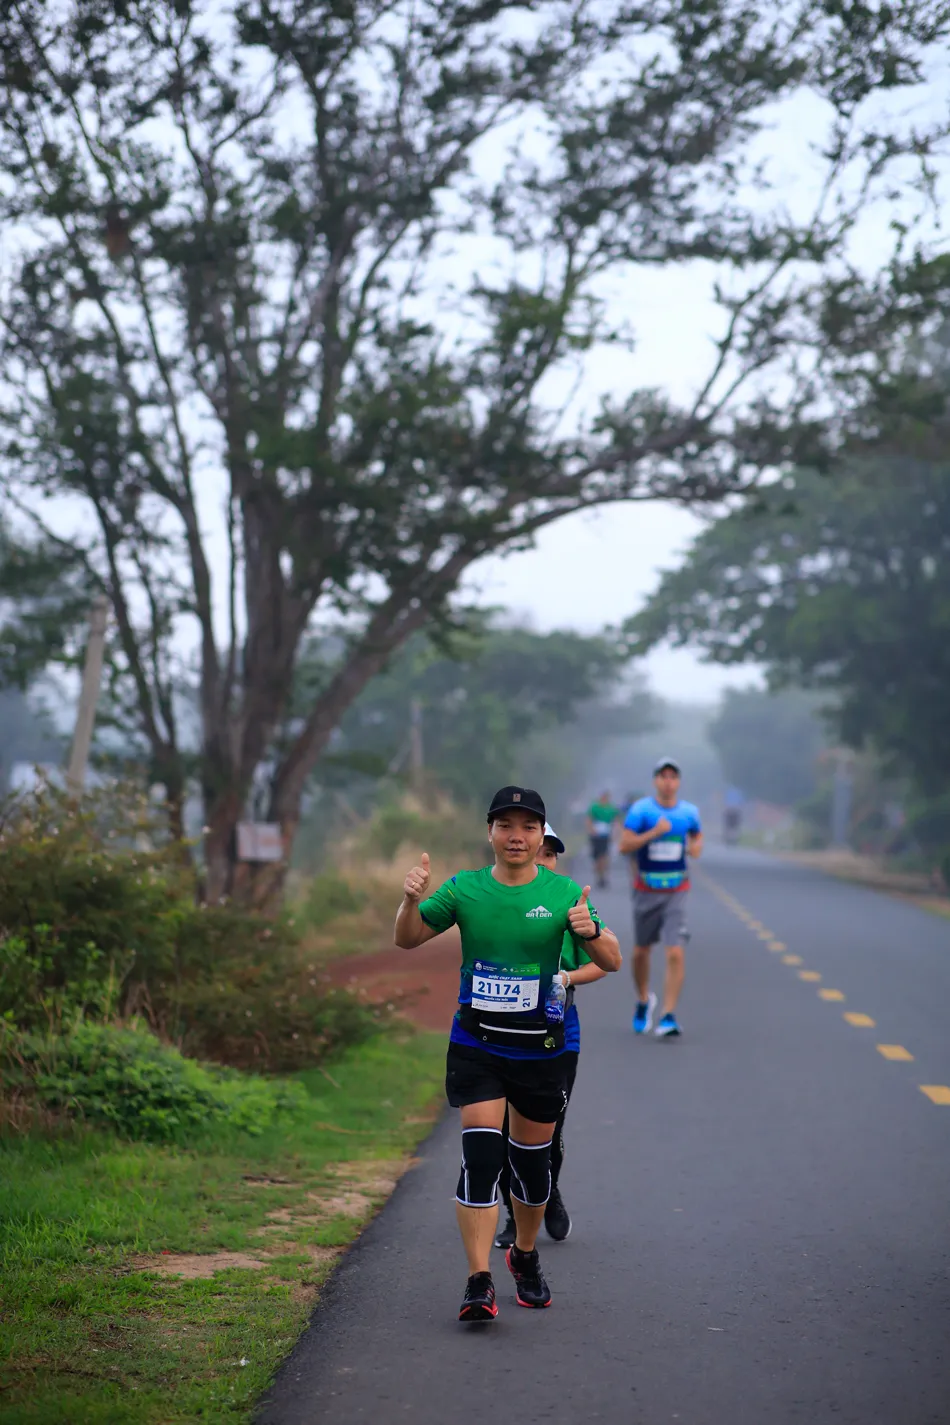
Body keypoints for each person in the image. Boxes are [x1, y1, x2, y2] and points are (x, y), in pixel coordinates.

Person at [394, 787, 621, 1323]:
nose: (516, 836)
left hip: (541, 1050)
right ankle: (478, 1280)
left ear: (542, 835)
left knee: (534, 1169)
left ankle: (523, 1252)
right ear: (490, 832)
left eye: (528, 826)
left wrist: (589, 933)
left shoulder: (566, 892)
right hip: (477, 1044)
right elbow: (407, 940)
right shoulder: (463, 889)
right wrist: (408, 900)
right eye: (505, 825)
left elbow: (610, 960)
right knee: (480, 1158)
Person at [494, 822, 608, 1250]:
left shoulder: (568, 907)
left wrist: (564, 977)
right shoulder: (498, 904)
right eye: (539, 852)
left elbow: (601, 962)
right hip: (499, 1034)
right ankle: (512, 1212)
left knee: (549, 1130)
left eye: (551, 855)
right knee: (505, 1127)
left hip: (559, 1032)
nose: (543, 862)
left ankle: (547, 1191)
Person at [619, 758, 702, 1038]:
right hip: (646, 890)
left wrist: (694, 846)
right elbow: (624, 845)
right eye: (663, 776)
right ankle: (644, 999)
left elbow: (697, 838)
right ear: (656, 781)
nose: (668, 781)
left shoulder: (689, 812)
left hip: (676, 891)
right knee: (641, 951)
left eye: (673, 777)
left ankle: (668, 1015)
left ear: (678, 782)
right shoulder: (641, 810)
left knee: (675, 951)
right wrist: (654, 833)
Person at [586, 790, 619, 889]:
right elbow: (589, 819)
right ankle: (599, 875)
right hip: (596, 836)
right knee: (597, 858)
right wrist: (592, 830)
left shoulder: (611, 808)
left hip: (605, 836)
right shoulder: (595, 807)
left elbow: (616, 821)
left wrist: (615, 833)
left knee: (604, 856)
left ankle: (603, 876)